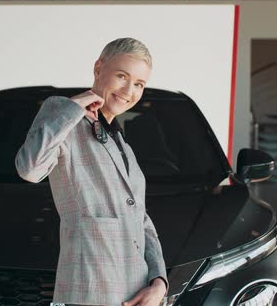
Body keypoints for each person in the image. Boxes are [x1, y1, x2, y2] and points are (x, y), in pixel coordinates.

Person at [15, 38, 168, 306]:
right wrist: (75, 107)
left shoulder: (124, 146)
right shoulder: (62, 115)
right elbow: (30, 168)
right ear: (98, 68)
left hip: (140, 294)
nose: (129, 90)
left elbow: (141, 221)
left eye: (139, 84)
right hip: (89, 292)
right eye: (122, 76)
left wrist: (159, 283)